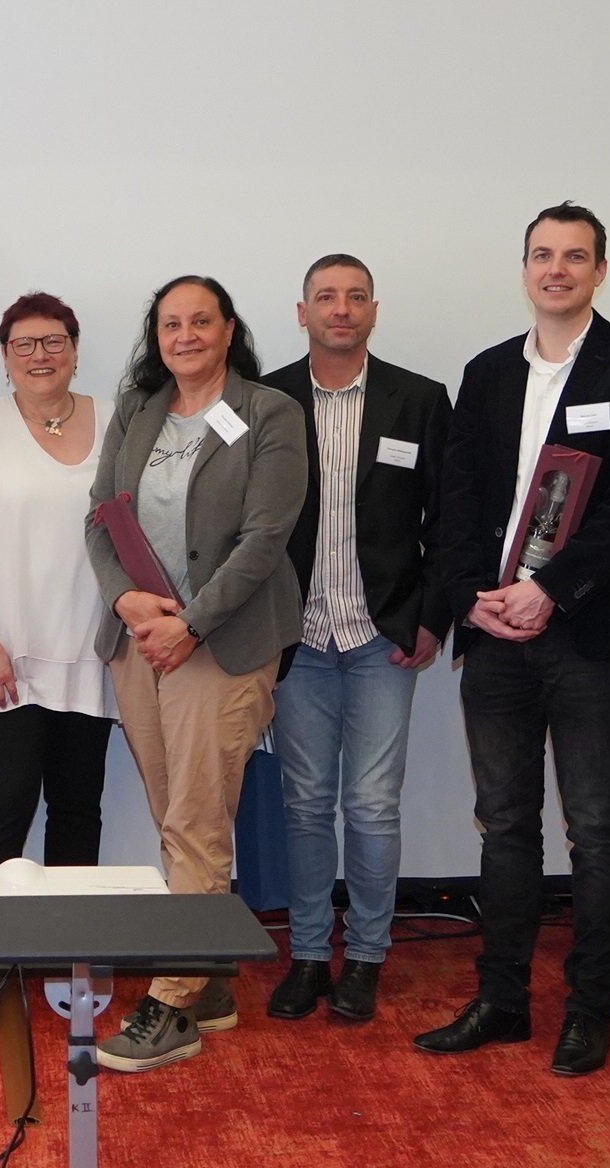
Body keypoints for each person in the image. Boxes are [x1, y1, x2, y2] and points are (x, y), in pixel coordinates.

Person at [416, 203, 610, 1078]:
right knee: (505, 826)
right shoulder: (487, 373)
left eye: (575, 256)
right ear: (523, 268)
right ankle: (501, 1000)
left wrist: (549, 590)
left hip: (591, 635)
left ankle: (589, 1009)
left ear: (601, 270)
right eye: (542, 254)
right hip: (495, 636)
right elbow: (455, 506)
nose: (557, 269)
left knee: (596, 828)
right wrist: (471, 598)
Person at [83, 275, 307, 1074]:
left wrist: (192, 622)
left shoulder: (269, 412)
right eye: (170, 323)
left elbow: (265, 535)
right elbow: (100, 519)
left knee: (197, 819)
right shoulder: (138, 411)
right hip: (140, 640)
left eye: (199, 321)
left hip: (225, 642)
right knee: (172, 813)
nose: (184, 335)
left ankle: (172, 1000)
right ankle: (209, 982)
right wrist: (131, 603)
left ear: (228, 328)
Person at [259, 254, 451, 1025]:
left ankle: (366, 956)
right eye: (326, 297)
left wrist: (434, 616)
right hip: (296, 638)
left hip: (382, 635)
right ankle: (309, 954)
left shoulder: (421, 400)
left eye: (355, 297)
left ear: (374, 310)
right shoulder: (263, 399)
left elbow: (452, 520)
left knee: (371, 805)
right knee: (305, 805)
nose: (341, 309)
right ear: (301, 311)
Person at [0, 291, 115, 1034]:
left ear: (75, 348)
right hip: (4, 651)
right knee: (5, 803)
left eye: (53, 341)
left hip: (91, 646)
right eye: (24, 344)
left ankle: (68, 959)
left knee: (78, 807)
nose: (40, 355)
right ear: (5, 354)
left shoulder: (115, 419)